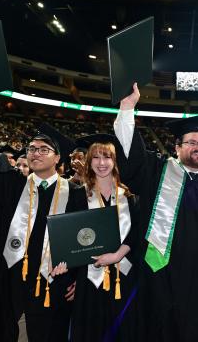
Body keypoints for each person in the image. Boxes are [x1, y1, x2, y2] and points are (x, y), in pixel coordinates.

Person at [113, 83, 198, 342]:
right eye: (191, 142)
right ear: (178, 147)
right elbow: (131, 156)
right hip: (161, 277)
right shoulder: (158, 171)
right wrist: (127, 109)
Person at [0, 84, 87, 342]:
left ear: (58, 158)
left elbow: (86, 241)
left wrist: (81, 279)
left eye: (43, 149)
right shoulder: (14, 186)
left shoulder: (77, 195)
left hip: (54, 283)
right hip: (10, 279)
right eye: (31, 149)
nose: (35, 153)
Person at [61, 134, 139, 342]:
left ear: (115, 161)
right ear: (89, 161)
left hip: (124, 276)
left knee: (124, 331)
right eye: (96, 157)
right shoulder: (78, 195)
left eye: (107, 157)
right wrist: (73, 279)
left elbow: (138, 233)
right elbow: (70, 239)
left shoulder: (130, 197)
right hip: (89, 280)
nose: (102, 163)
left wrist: (117, 255)